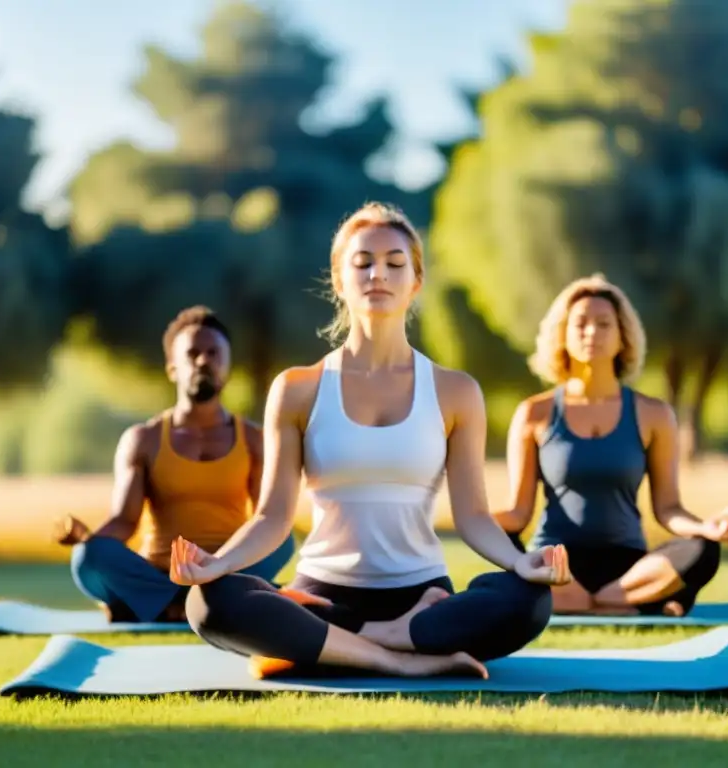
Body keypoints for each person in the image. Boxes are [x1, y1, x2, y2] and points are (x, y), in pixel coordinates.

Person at [168, 202, 571, 680]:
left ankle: (344, 644)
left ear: (415, 282)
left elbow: (475, 517)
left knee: (528, 601)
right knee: (208, 602)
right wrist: (218, 564)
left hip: (422, 597)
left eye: (395, 263)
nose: (379, 273)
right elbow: (272, 517)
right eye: (362, 263)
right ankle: (392, 655)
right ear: (340, 280)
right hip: (322, 594)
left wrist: (522, 562)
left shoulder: (455, 391)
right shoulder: (298, 388)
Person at [492, 274, 728, 617]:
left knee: (703, 550)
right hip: (555, 565)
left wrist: (704, 529)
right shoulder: (534, 413)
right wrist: (474, 520)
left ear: (623, 337)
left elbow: (668, 508)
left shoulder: (653, 415)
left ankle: (599, 602)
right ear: (562, 335)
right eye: (580, 324)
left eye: (604, 324)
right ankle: (633, 605)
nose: (592, 332)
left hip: (628, 569)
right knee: (496, 540)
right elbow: (518, 514)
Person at [55, 306, 295, 623]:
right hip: (158, 574)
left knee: (284, 539)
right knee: (89, 557)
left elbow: (267, 515)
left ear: (227, 365)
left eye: (213, 353)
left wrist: (219, 565)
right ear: (172, 368)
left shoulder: (254, 440)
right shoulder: (144, 439)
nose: (203, 361)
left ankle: (163, 606)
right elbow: (124, 520)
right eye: (192, 353)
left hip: (225, 568)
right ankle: (193, 602)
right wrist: (89, 538)